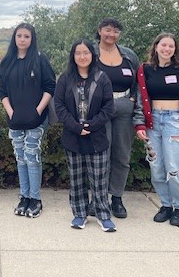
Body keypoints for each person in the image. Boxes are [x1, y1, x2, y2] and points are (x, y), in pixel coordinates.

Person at [134, 33, 179, 226]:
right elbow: (139, 98)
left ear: (175, 49)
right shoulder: (145, 70)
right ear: (156, 47)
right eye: (163, 45)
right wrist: (140, 124)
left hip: (174, 121)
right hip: (153, 122)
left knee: (175, 168)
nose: (167, 49)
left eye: (171, 46)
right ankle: (165, 205)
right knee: (156, 167)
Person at [55, 39, 117, 232]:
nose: (82, 57)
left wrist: (91, 125)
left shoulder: (102, 78)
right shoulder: (65, 78)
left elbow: (109, 107)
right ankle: (79, 214)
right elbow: (59, 106)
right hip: (73, 136)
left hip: (96, 136)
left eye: (86, 53)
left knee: (99, 179)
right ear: (73, 56)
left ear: (92, 55)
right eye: (78, 53)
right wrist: (75, 126)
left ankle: (103, 214)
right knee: (77, 178)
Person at [0, 23, 55, 218]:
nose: (22, 39)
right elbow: (2, 90)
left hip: (36, 119)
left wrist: (38, 109)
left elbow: (50, 86)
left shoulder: (40, 60)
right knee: (20, 159)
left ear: (32, 39)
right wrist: (10, 111)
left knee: (32, 157)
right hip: (15, 119)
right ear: (15, 38)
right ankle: (24, 197)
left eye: (26, 36)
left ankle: (35, 199)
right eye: (19, 36)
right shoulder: (7, 62)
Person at [93, 17, 141, 218]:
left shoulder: (128, 55)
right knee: (100, 155)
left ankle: (117, 198)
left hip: (123, 107)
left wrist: (133, 100)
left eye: (115, 31)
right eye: (107, 30)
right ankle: (99, 198)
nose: (111, 34)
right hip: (99, 109)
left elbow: (139, 82)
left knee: (121, 155)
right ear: (100, 30)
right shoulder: (90, 52)